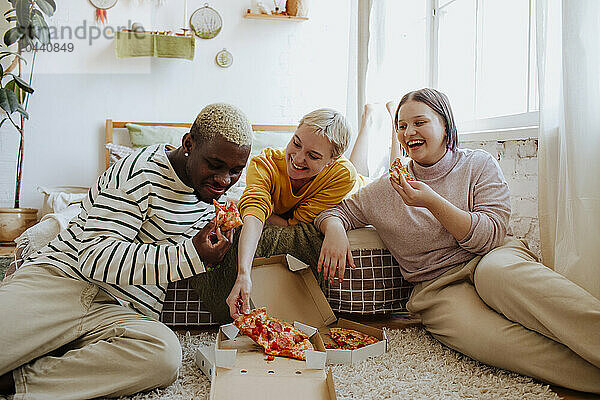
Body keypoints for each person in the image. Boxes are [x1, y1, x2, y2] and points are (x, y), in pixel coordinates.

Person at [314, 88, 600, 393]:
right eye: (401, 125)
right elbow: (334, 213)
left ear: (446, 126)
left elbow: (489, 236)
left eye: (419, 122)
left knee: (502, 278)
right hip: (437, 287)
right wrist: (334, 230)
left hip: (492, 257)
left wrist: (433, 202)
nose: (409, 132)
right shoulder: (386, 189)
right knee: (497, 342)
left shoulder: (478, 164)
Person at [0, 103, 253, 399]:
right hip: (64, 283)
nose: (224, 180)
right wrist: (192, 255)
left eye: (236, 171)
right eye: (215, 164)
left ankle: (18, 383)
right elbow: (95, 259)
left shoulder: (214, 201)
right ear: (188, 144)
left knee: (164, 355)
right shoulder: (140, 171)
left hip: (121, 312)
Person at [191, 108, 365, 322]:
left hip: (357, 187)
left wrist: (333, 225)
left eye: (313, 155)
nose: (298, 158)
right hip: (280, 205)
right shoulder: (264, 164)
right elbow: (255, 215)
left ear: (332, 160)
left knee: (363, 170)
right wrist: (243, 273)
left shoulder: (343, 175)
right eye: (296, 143)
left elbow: (293, 222)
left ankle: (368, 121)